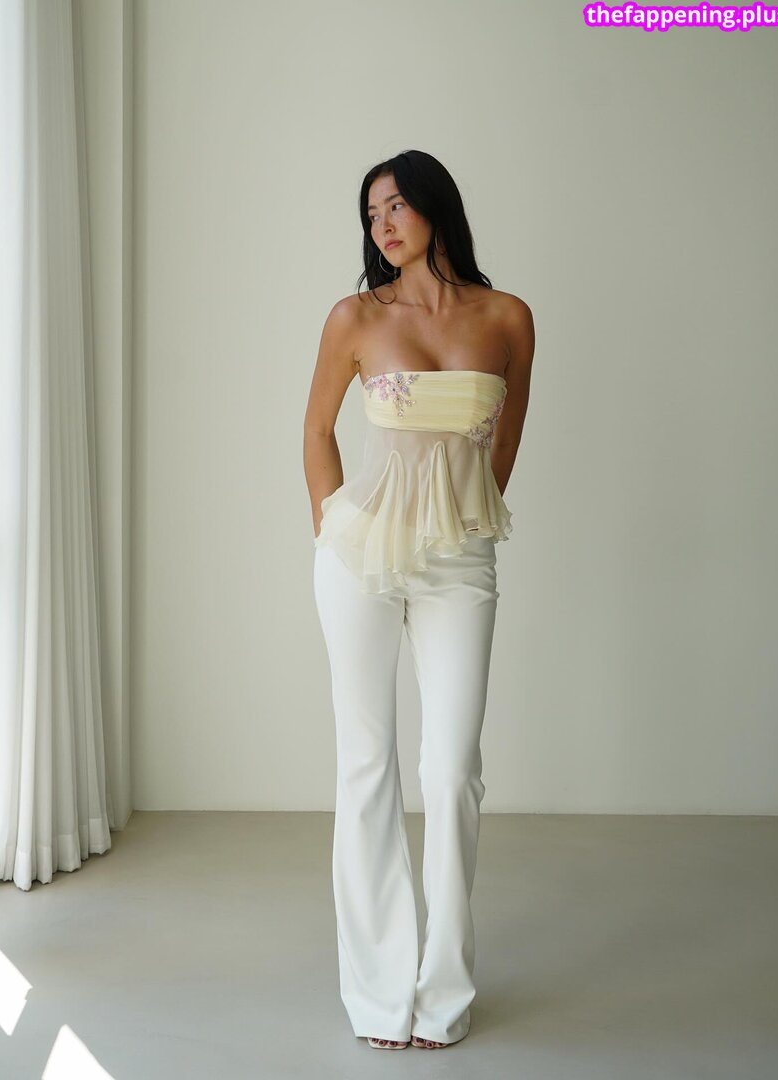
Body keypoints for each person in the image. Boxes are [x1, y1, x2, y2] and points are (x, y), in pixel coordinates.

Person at [304, 150, 535, 1051]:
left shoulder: (506, 317)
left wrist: (461, 522)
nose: (384, 225)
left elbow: (502, 446)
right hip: (359, 558)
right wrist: (330, 533)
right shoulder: (356, 316)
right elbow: (315, 430)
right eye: (372, 214)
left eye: (397, 205)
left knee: (451, 771)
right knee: (367, 764)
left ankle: (442, 993)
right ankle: (376, 992)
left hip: (458, 561)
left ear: (436, 206)